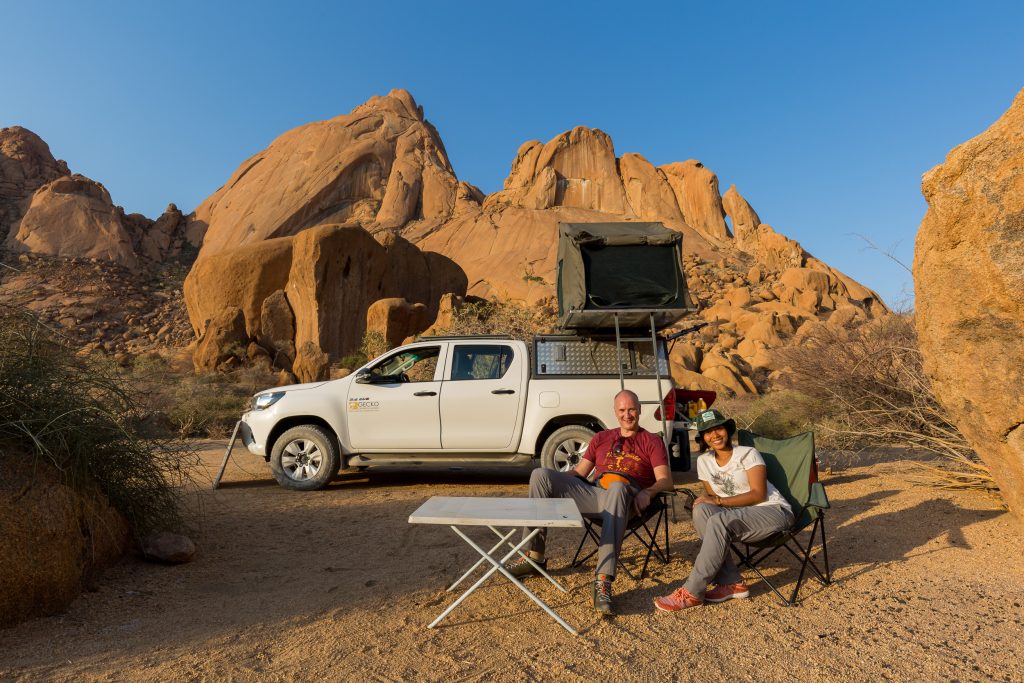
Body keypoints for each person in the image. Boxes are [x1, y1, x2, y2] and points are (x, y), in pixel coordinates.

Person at [506, 389, 673, 616]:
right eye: (622, 410)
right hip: (595, 495)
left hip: (627, 498)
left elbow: (666, 480)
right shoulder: (602, 438)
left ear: (640, 409)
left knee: (617, 487)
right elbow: (580, 472)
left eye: (632, 409)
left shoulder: (651, 441)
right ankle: (534, 557)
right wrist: (557, 482)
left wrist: (649, 493)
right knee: (540, 475)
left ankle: (603, 581)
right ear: (615, 412)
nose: (627, 415)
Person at [653, 409, 794, 612]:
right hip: (738, 516)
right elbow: (712, 500)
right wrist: (711, 502)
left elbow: (759, 495)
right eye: (708, 432)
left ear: (727, 429)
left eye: (718, 428)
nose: (714, 435)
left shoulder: (747, 454)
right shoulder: (704, 461)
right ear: (703, 437)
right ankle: (731, 583)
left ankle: (692, 591)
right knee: (702, 509)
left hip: (772, 511)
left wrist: (718, 501)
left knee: (718, 520)